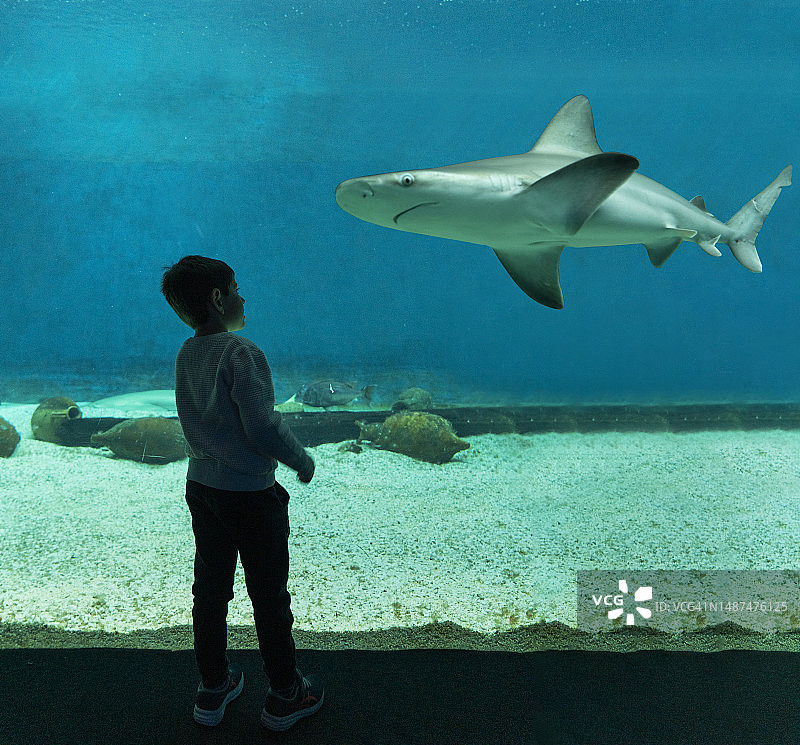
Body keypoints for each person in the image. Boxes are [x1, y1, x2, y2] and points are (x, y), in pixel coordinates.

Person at [160, 255, 324, 731]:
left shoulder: (186, 353)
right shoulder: (241, 352)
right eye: (236, 287)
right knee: (268, 596)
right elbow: (261, 424)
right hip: (251, 494)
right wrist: (300, 458)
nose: (244, 296)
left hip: (202, 488)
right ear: (218, 298)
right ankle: (285, 696)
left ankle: (212, 689)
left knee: (209, 592)